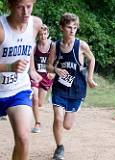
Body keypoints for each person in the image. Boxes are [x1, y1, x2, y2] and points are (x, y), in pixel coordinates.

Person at [47, 12, 97, 160]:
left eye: (75, 27)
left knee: (67, 125)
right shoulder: (56, 46)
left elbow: (92, 59)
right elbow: (48, 66)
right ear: (62, 28)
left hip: (77, 88)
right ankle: (59, 148)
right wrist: (56, 69)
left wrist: (90, 77)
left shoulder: (81, 45)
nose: (72, 30)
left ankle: (61, 141)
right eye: (69, 27)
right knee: (58, 118)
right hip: (60, 88)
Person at [0, 0, 42, 159]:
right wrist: (10, 67)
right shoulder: (1, 29)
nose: (26, 13)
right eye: (20, 7)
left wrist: (31, 69)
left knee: (23, 138)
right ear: (9, 5)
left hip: (19, 89)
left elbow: (29, 46)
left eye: (29, 7)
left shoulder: (35, 24)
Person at [31, 24, 55, 133]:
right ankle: (37, 123)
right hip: (36, 75)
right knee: (34, 99)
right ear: (37, 36)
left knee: (40, 103)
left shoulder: (53, 46)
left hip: (47, 77)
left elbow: (59, 60)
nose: (43, 36)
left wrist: (54, 72)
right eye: (40, 34)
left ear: (48, 34)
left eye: (45, 34)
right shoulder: (34, 46)